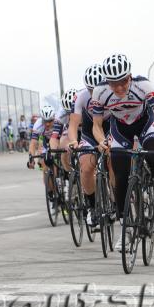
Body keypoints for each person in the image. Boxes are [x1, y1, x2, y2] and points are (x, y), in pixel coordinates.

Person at [92, 54, 154, 251]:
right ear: (107, 82)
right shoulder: (100, 92)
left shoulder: (143, 86)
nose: (119, 88)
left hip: (146, 124)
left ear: (130, 76)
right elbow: (96, 124)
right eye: (114, 83)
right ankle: (126, 228)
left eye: (123, 81)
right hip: (120, 129)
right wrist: (101, 140)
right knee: (120, 177)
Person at [68, 64, 110, 227]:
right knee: (85, 167)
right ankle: (92, 207)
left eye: (98, 89)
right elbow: (72, 126)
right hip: (89, 132)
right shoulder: (81, 97)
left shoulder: (113, 93)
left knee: (115, 163)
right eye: (90, 90)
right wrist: (73, 140)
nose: (94, 94)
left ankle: (116, 198)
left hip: (110, 129)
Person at [52, 88, 78, 172]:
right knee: (64, 149)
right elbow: (54, 137)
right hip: (70, 129)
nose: (72, 115)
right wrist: (54, 151)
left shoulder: (86, 105)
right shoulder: (60, 115)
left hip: (85, 128)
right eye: (69, 113)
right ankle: (71, 174)